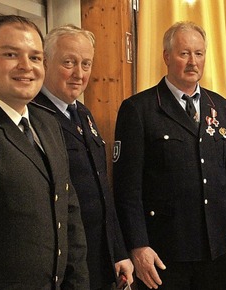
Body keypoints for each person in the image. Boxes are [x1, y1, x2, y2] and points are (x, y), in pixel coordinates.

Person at [113, 21, 226, 289]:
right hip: (165, 253)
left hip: (216, 250)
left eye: (199, 53)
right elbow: (126, 189)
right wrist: (138, 246)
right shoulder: (139, 109)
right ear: (166, 56)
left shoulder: (218, 105)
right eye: (184, 53)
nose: (192, 62)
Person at [0, 15, 88, 288]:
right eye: (11, 54)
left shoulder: (46, 122)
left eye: (36, 58)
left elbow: (69, 213)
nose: (26, 67)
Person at [33, 24, 134, 290]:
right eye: (69, 62)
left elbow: (103, 192)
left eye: (86, 64)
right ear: (45, 62)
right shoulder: (33, 116)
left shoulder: (83, 114)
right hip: (63, 262)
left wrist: (118, 250)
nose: (79, 73)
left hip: (98, 257)